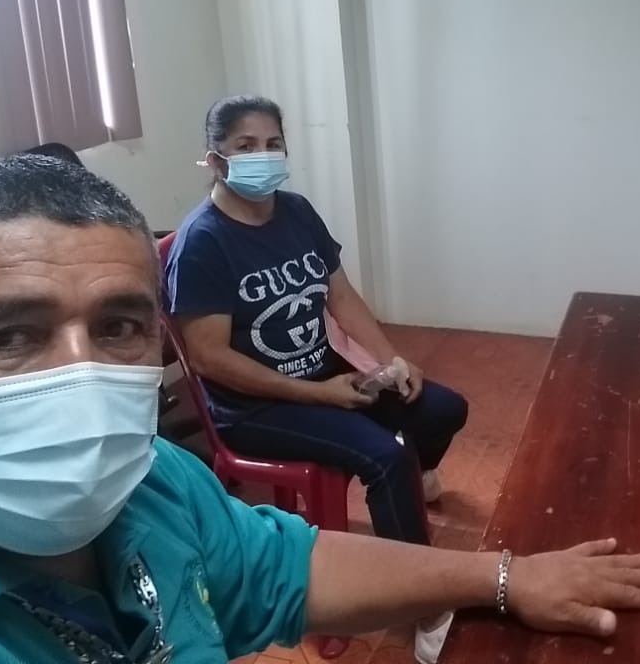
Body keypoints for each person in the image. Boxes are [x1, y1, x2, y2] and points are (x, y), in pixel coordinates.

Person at [0, 156, 640, 663]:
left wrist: (503, 576)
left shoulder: (152, 483)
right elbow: (217, 360)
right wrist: (322, 393)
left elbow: (289, 566)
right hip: (263, 404)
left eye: (119, 327)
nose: (81, 376)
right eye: (11, 336)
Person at [164, 97, 465, 538]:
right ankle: (412, 580)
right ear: (216, 161)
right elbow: (210, 359)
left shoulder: (297, 212)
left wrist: (391, 360)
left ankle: (419, 478)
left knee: (444, 409)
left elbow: (340, 295)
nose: (263, 155)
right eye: (246, 146)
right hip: (254, 408)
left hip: (324, 374)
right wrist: (318, 395)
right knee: (386, 457)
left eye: (273, 144)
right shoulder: (202, 243)